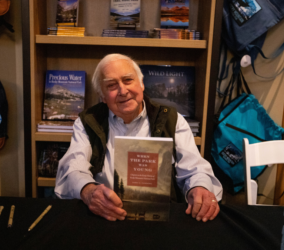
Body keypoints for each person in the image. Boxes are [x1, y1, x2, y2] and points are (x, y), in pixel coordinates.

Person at [55, 53, 223, 222]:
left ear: (142, 84)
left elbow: (194, 167)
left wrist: (199, 187)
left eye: (128, 80)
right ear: (103, 97)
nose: (123, 90)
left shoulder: (171, 119)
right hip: (105, 216)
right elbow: (73, 167)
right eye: (112, 85)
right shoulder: (87, 121)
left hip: (160, 220)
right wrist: (89, 191)